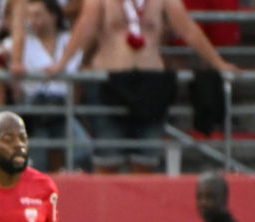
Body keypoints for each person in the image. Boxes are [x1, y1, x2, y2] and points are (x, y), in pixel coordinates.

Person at [47, 0, 239, 174]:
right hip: (110, 81)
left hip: (151, 82)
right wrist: (62, 63)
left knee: (145, 162)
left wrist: (218, 63)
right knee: (107, 160)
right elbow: (85, 26)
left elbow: (187, 28)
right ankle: (103, 202)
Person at [8, 0, 89, 172]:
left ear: (53, 15)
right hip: (34, 108)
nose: (34, 21)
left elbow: (80, 61)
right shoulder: (22, 42)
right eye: (30, 16)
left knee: (82, 150)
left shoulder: (68, 40)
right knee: (38, 158)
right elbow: (3, 50)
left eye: (38, 15)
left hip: (62, 107)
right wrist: (14, 64)